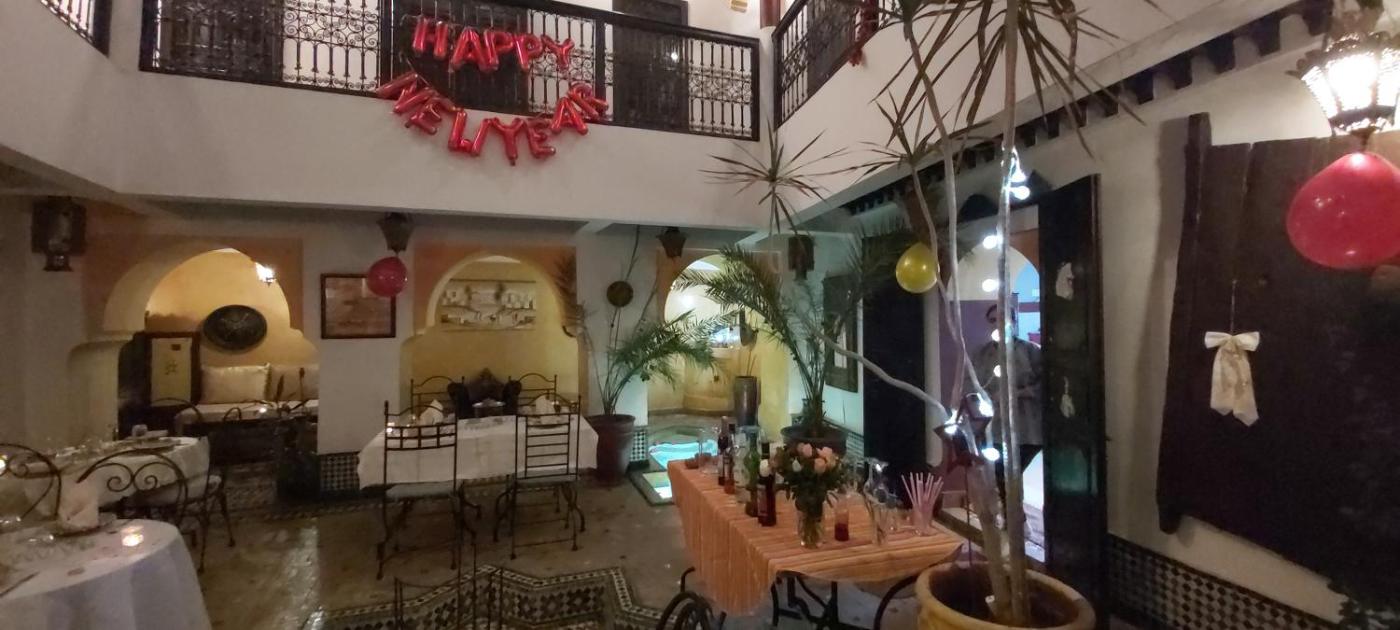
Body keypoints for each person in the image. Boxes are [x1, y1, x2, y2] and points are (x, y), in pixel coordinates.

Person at [966, 303, 1043, 496]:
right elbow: (971, 385)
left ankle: (1016, 511)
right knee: (999, 477)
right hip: (994, 428)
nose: (997, 324)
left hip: (1027, 428)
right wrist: (982, 399)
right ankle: (1011, 512)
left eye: (1002, 319)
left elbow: (1045, 385)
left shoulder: (1031, 351)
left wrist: (1017, 393)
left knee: (1014, 474)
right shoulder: (981, 355)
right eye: (993, 320)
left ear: (1013, 321)